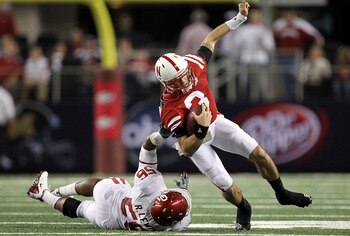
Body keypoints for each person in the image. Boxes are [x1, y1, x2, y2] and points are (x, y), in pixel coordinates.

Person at [147, 0, 312, 231]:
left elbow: (210, 39)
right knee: (228, 187)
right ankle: (244, 207)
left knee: (259, 154)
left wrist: (239, 19)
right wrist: (202, 129)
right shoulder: (170, 109)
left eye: (184, 74)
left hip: (216, 120)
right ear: (167, 84)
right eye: (178, 80)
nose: (185, 79)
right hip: (198, 140)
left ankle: (281, 193)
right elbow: (185, 148)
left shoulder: (192, 64)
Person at [27, 137, 192, 231]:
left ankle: (58, 191)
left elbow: (147, 150)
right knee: (80, 209)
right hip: (110, 222)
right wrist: (183, 193)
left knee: (100, 184)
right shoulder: (174, 227)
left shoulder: (149, 186)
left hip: (114, 199)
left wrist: (159, 136)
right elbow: (182, 213)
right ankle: (43, 194)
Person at [272, 7, 325, 100]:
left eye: (290, 14)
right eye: (286, 14)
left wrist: (316, 49)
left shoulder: (301, 24)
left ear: (294, 14)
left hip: (295, 56)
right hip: (281, 56)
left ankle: (297, 97)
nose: (288, 16)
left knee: (296, 77)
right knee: (284, 79)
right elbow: (270, 39)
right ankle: (287, 98)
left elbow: (317, 37)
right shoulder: (278, 24)